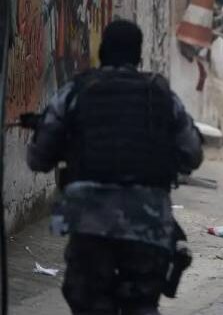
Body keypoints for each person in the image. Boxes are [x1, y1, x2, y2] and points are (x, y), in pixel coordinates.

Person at [27, 20, 204, 315]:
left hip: (90, 221)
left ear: (101, 51)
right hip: (147, 222)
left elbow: (38, 158)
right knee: (141, 304)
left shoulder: (76, 91)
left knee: (89, 303)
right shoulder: (161, 95)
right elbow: (193, 154)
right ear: (138, 55)